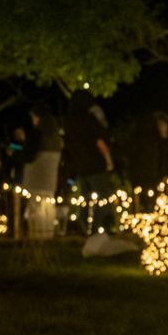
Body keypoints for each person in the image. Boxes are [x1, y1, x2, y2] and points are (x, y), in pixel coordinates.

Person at [64, 90, 115, 234]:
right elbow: (103, 135)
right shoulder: (88, 118)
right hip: (96, 163)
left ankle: (84, 228)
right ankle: (98, 229)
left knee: (85, 199)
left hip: (80, 165)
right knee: (102, 197)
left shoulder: (68, 121)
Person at [19, 104, 64, 238]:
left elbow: (28, 154)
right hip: (50, 181)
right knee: (47, 209)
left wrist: (15, 148)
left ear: (39, 118)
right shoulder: (57, 138)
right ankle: (47, 235)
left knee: (36, 209)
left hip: (35, 179)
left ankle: (37, 238)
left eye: (33, 118)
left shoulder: (38, 135)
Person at [128, 112, 168, 199]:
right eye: (159, 125)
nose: (161, 127)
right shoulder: (154, 143)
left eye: (163, 124)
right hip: (156, 180)